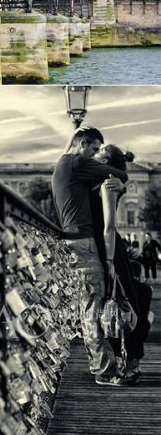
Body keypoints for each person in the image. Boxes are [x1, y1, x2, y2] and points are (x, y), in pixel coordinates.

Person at [51, 125, 130, 386]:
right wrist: (119, 178)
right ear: (83, 144)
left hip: (72, 240)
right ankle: (105, 370)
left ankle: (100, 363)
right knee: (93, 307)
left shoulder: (64, 164)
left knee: (89, 305)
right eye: (94, 149)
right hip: (83, 242)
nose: (95, 155)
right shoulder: (76, 162)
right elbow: (119, 173)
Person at [90, 144, 145, 382]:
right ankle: (124, 362)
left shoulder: (108, 183)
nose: (93, 162)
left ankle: (132, 364)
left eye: (99, 159)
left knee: (122, 303)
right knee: (114, 304)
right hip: (105, 246)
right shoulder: (104, 181)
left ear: (109, 164)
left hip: (109, 247)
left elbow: (109, 226)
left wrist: (110, 260)